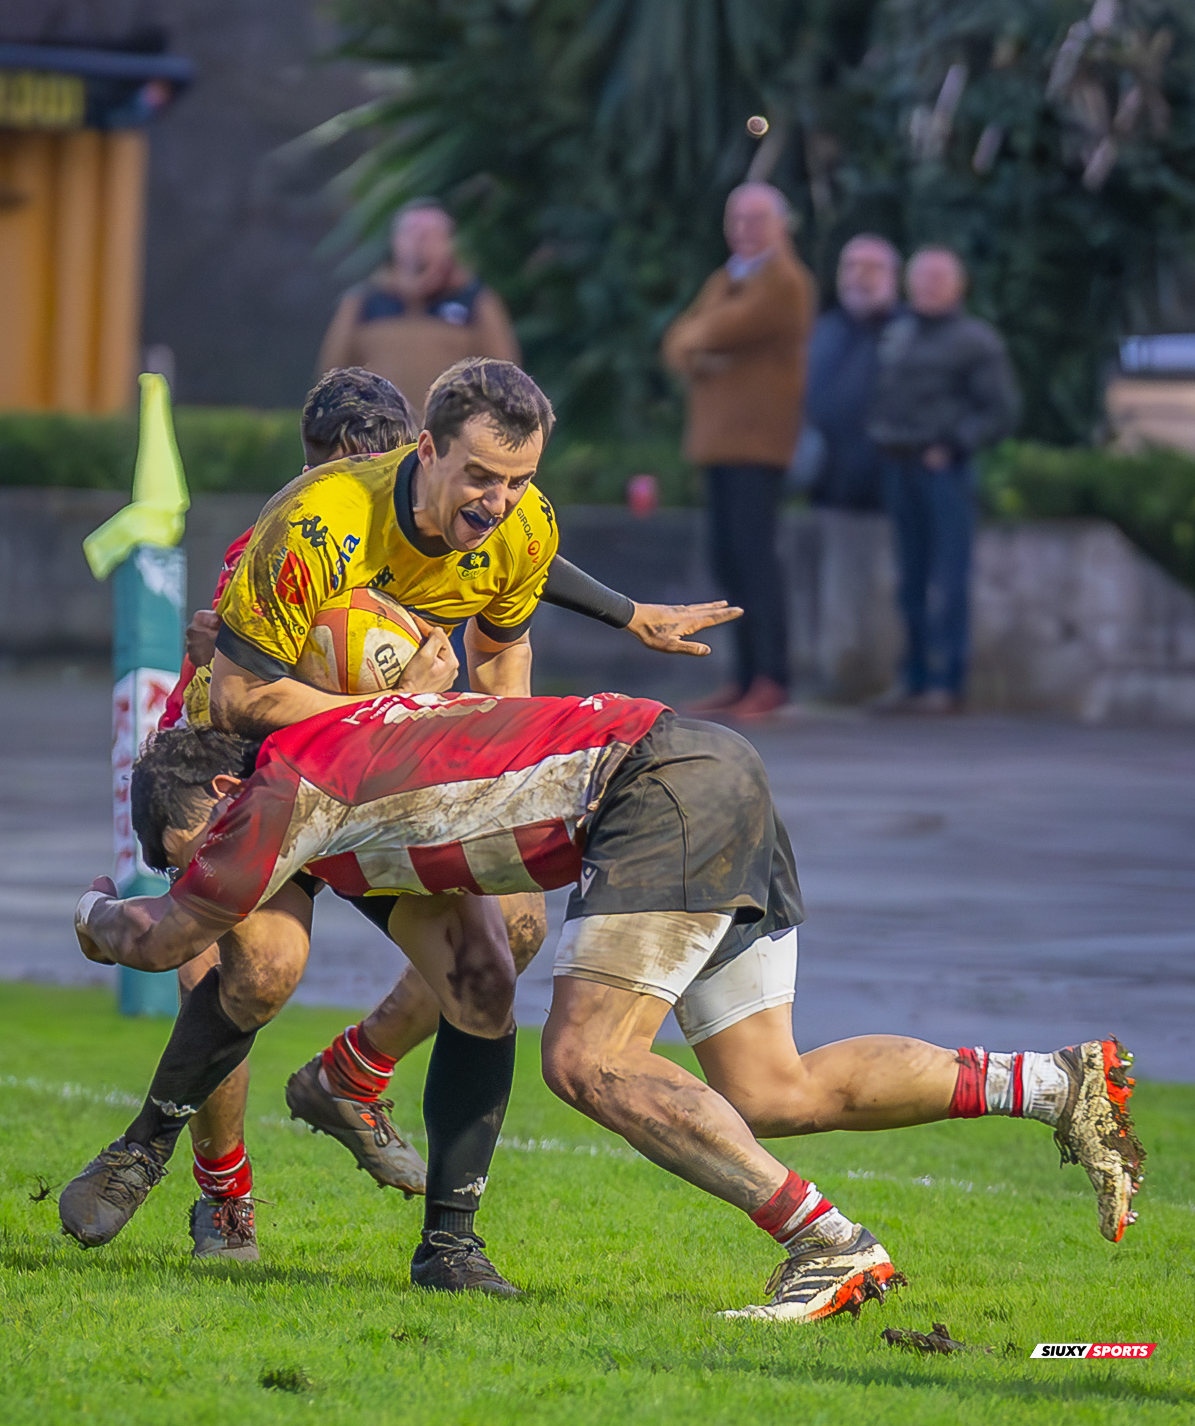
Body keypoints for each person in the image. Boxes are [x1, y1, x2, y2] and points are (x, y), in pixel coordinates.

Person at [71, 693, 1142, 1325]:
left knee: (587, 1059)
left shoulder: (277, 789)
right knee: (770, 1089)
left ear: (215, 801)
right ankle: (1055, 1081)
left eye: (194, 853)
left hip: (655, 790)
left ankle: (829, 1245)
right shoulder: (346, 763)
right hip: (706, 765)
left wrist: (95, 916)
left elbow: (167, 937)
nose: (218, 881)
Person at [63, 360, 742, 1268]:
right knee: (258, 970)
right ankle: (194, 1175)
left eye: (515, 481)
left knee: (496, 960)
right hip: (239, 772)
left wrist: (519, 769)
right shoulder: (304, 532)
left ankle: (421, 1195)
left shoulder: (506, 526)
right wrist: (393, 710)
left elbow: (511, 629)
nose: (497, 499)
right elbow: (235, 696)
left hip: (375, 785)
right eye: (480, 477)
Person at [662, 183, 816, 720]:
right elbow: (680, 339)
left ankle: (772, 677)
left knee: (756, 562)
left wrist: (702, 343)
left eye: (756, 219)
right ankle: (744, 676)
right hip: (719, 443)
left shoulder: (784, 282)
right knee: (727, 559)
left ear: (780, 225)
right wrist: (701, 344)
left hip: (759, 443)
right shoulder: (728, 278)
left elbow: (720, 329)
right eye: (737, 218)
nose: (745, 229)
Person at [869, 247, 1020, 712]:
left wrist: (954, 444)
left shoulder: (976, 341)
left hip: (944, 471)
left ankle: (946, 682)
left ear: (959, 285)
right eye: (922, 278)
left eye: (939, 278)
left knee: (947, 579)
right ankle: (913, 677)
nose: (929, 287)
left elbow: (1001, 409)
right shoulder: (898, 333)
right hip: (899, 466)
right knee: (909, 579)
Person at [318, 199, 520, 406]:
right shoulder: (363, 302)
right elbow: (331, 377)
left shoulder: (476, 301)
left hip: (448, 434)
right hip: (381, 433)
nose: (420, 240)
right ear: (394, 241)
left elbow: (504, 381)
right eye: (411, 231)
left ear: (449, 243)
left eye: (432, 233)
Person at [803, 235, 902, 511]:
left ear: (894, 277)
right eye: (852, 266)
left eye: (873, 268)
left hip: (895, 487)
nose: (860, 276)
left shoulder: (912, 333)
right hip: (827, 487)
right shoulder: (821, 332)